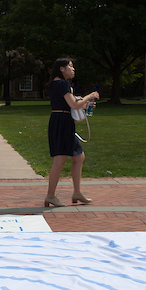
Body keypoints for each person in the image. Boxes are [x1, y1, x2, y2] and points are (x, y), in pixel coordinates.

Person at [44, 58, 100, 207]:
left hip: (61, 122)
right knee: (59, 160)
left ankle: (77, 192)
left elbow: (70, 104)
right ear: (61, 68)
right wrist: (89, 96)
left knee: (78, 157)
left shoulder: (58, 84)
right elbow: (74, 105)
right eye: (70, 66)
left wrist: (85, 103)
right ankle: (50, 195)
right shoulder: (63, 84)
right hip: (62, 123)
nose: (73, 69)